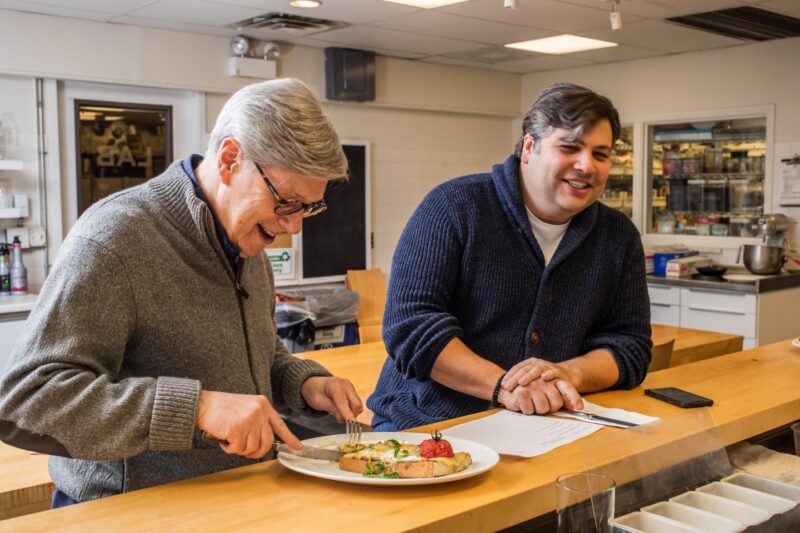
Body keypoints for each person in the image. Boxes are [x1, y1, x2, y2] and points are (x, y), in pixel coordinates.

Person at [0, 78, 363, 506]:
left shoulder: (248, 245)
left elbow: (255, 357)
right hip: (130, 513)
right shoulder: (116, 239)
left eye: (308, 207)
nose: (294, 225)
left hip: (235, 499)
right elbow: (27, 400)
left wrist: (303, 384)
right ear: (230, 159)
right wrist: (198, 409)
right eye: (286, 201)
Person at [368, 83, 651, 431]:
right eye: (570, 147)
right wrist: (505, 387)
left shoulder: (618, 235)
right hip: (427, 424)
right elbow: (411, 328)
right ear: (529, 147)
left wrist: (568, 373)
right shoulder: (453, 208)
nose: (586, 165)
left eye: (600, 154)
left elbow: (630, 346)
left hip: (548, 427)